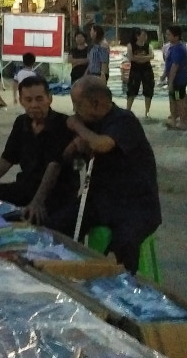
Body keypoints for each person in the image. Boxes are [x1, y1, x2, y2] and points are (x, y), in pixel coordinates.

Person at [46, 76, 161, 274]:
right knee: (55, 226)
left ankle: (122, 288)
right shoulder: (89, 123)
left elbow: (102, 144)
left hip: (136, 204)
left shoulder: (124, 120)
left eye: (77, 104)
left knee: (122, 247)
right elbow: (69, 159)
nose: (75, 110)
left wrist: (77, 127)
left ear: (96, 103)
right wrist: (76, 146)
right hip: (101, 200)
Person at [0, 75, 78, 223]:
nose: (34, 104)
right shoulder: (21, 122)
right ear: (21, 101)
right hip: (26, 186)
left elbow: (54, 166)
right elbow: (7, 158)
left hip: (56, 193)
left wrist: (37, 202)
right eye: (28, 100)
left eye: (39, 99)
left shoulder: (63, 124)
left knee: (33, 218)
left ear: (49, 99)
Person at [163, 25, 187, 130]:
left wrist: (170, 82)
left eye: (169, 34)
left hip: (178, 81)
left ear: (176, 36)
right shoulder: (173, 47)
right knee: (173, 99)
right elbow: (169, 64)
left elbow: (175, 66)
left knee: (179, 100)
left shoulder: (179, 49)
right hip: (175, 79)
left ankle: (183, 121)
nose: (167, 36)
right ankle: (174, 120)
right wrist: (164, 75)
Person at [125, 28, 155, 118]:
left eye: (146, 35)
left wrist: (138, 58)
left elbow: (152, 56)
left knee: (148, 90)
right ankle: (128, 109)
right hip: (135, 70)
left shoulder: (148, 45)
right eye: (143, 35)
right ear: (137, 36)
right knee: (132, 90)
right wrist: (145, 58)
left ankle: (147, 111)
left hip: (147, 70)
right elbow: (131, 58)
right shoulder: (131, 45)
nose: (145, 37)